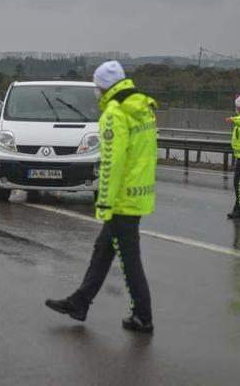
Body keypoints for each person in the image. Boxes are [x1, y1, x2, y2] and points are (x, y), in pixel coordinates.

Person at [45, 61, 157, 333]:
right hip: (138, 193)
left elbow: (112, 163)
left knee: (129, 260)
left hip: (121, 199)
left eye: (97, 87)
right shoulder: (142, 108)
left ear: (104, 87)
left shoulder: (114, 114)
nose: (96, 92)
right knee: (103, 250)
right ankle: (80, 302)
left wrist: (104, 201)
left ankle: (142, 316)